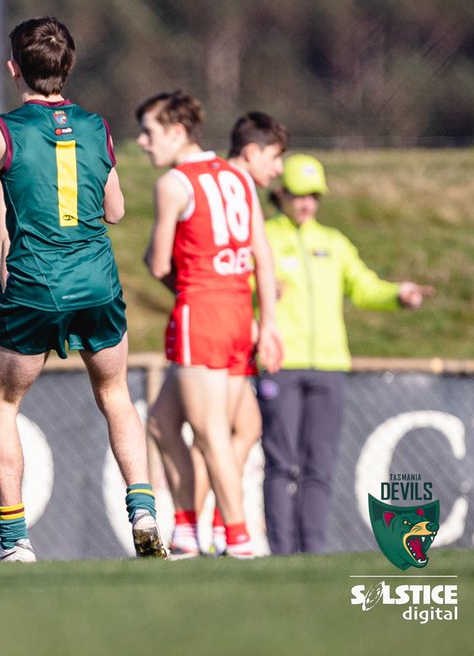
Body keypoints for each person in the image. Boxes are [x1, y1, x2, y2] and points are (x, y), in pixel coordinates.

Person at [0, 16, 168, 562]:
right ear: (70, 66)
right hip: (97, 285)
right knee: (116, 397)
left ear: (12, 69)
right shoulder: (98, 126)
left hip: (35, 288)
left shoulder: (2, 131)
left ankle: (14, 542)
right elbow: (116, 209)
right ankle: (144, 510)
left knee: (4, 404)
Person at [260, 154, 433, 554]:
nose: (306, 203)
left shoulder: (333, 243)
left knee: (319, 468)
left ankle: (313, 553)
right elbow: (239, 286)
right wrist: (258, 290)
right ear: (280, 193)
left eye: (313, 196)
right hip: (279, 364)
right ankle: (281, 555)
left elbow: (364, 286)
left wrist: (397, 295)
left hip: (330, 367)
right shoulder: (263, 237)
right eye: (299, 194)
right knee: (281, 465)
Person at [137, 91, 282, 559]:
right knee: (162, 423)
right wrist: (269, 325)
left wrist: (164, 265)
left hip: (202, 310)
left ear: (176, 132)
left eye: (150, 132)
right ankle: (185, 529)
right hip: (241, 311)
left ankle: (236, 536)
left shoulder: (175, 183)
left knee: (210, 432)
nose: (142, 142)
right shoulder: (237, 175)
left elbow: (159, 264)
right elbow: (261, 253)